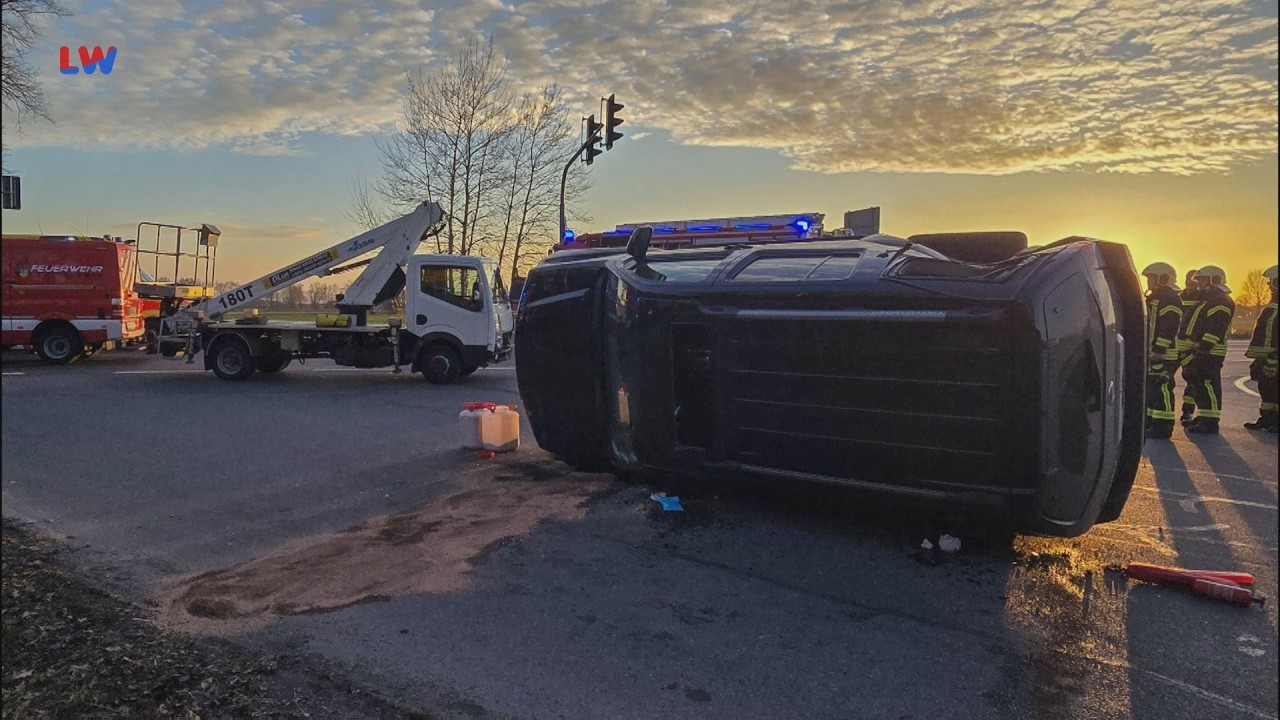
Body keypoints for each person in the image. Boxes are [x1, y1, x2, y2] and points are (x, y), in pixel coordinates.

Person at [1183, 266, 1235, 435]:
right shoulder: (1209, 299)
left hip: (1210, 351)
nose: (1200, 283)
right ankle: (1205, 416)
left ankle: (1210, 422)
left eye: (1204, 280)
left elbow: (1216, 327)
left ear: (1215, 280)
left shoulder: (1221, 301)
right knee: (1201, 384)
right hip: (1203, 349)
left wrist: (1204, 347)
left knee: (1209, 385)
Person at [1141, 263, 1183, 439]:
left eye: (1151, 277)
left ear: (1163, 279)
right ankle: (1152, 422)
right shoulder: (1157, 297)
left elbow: (1169, 327)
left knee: (1162, 387)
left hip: (1165, 353)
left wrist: (1159, 349)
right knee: (1152, 389)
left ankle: (1163, 426)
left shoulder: (1170, 299)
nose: (1149, 281)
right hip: (1154, 351)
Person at [1244, 265, 1278, 432]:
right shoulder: (1272, 305)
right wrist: (1258, 359)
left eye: (1272, 283)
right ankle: (1268, 419)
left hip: (1275, 357)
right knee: (1266, 389)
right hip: (1267, 357)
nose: (1269, 287)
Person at [1176, 268, 1204, 423]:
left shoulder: (1203, 299)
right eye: (1188, 280)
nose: (1191, 284)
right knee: (1163, 380)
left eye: (1194, 281)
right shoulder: (1178, 297)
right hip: (1174, 346)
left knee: (1192, 381)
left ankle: (1187, 412)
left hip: (1190, 347)